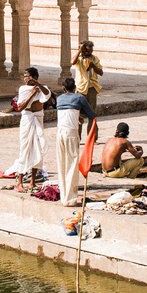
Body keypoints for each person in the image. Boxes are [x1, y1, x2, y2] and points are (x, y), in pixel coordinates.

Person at [53, 76, 95, 206]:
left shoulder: (59, 99)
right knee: (72, 165)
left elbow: (69, 111)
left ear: (63, 88)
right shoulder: (79, 98)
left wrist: (78, 116)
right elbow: (91, 114)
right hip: (71, 133)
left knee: (62, 164)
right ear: (75, 88)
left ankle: (64, 197)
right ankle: (70, 199)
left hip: (59, 133)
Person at [9, 67, 48, 192]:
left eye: (27, 76)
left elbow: (47, 95)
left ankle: (32, 182)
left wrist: (37, 85)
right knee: (24, 150)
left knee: (38, 151)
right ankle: (19, 182)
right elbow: (20, 107)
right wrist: (32, 94)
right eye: (24, 76)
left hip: (38, 119)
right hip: (27, 120)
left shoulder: (42, 88)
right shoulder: (23, 89)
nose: (25, 78)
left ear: (34, 77)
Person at [71, 40, 103, 113]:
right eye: (88, 51)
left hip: (92, 87)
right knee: (78, 111)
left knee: (92, 112)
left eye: (91, 51)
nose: (90, 53)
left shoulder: (94, 58)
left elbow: (101, 72)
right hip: (80, 87)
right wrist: (79, 50)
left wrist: (93, 66)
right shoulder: (79, 58)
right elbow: (72, 62)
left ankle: (92, 124)